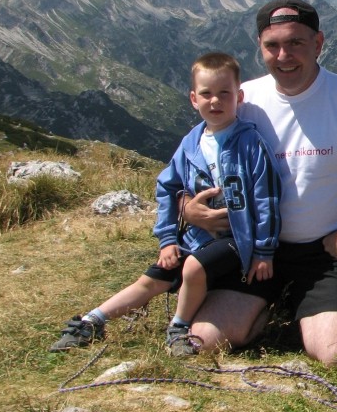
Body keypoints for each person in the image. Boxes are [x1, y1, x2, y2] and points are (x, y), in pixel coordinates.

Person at [183, 0, 337, 366]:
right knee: (201, 342)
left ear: (318, 44)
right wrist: (189, 210)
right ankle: (277, 306)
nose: (284, 56)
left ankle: (300, 307)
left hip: (325, 255)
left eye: (296, 43)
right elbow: (187, 167)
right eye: (272, 46)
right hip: (251, 249)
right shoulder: (240, 99)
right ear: (260, 47)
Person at [50, 52, 281, 356]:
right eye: (206, 94)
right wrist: (168, 240)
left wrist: (264, 250)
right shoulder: (190, 143)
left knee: (194, 268)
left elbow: (267, 196)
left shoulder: (250, 143)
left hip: (238, 239)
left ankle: (179, 328)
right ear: (193, 99)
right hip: (196, 238)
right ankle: (92, 320)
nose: (215, 101)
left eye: (224, 93)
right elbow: (167, 187)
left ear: (239, 96)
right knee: (154, 277)